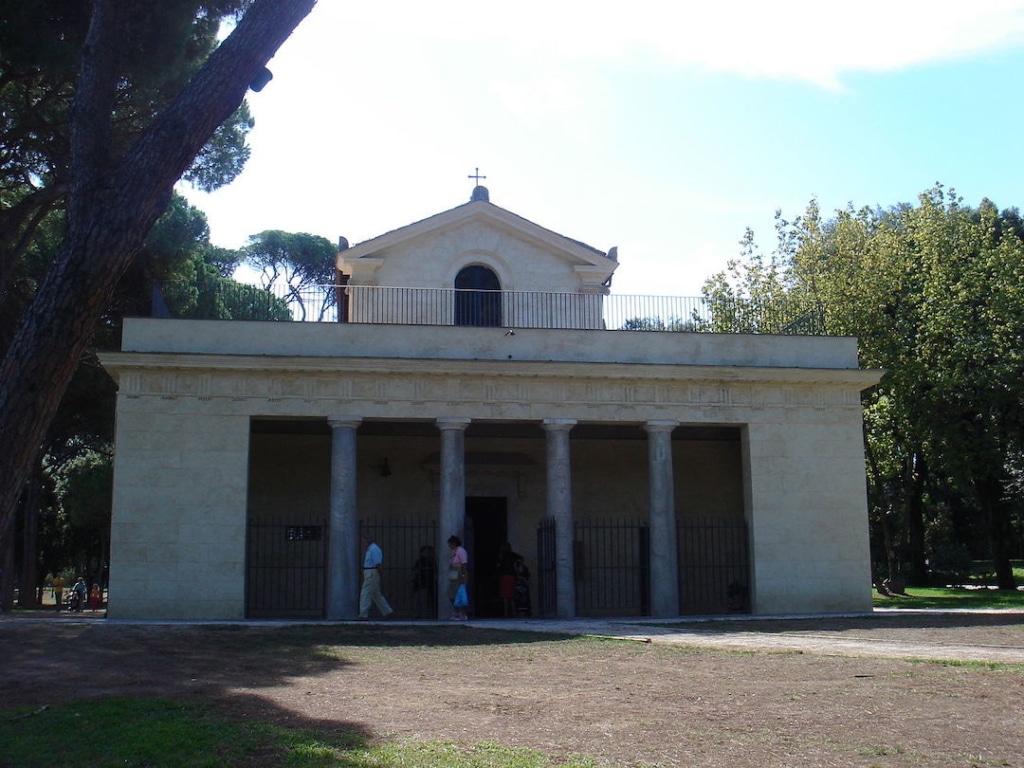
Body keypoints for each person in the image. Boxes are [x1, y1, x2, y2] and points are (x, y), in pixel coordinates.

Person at [358, 535, 393, 620]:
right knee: (376, 594)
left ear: (368, 541)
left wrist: (379, 573)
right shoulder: (370, 549)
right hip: (371, 572)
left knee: (365, 593)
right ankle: (387, 611)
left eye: (363, 541)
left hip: (371, 572)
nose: (362, 544)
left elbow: (378, 563)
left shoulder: (374, 549)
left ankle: (363, 614)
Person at [447, 534, 469, 620]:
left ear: (454, 543)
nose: (449, 546)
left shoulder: (461, 551)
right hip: (454, 574)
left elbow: (464, 563)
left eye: (450, 544)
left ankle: (462, 614)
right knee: (451, 594)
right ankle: (457, 612)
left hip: (460, 573)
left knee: (459, 594)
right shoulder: (453, 551)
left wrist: (463, 575)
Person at [496, 541, 520, 618]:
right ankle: (514, 613)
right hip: (511, 576)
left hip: (504, 576)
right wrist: (517, 566)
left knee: (505, 597)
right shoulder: (513, 555)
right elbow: (521, 558)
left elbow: (498, 566)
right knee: (512, 596)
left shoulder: (501, 555)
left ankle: (506, 614)